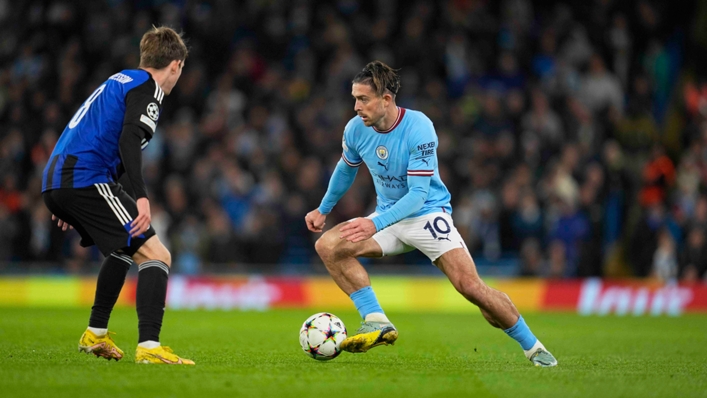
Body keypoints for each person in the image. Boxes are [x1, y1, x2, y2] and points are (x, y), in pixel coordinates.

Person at [305, 61, 557, 367]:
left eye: (363, 99)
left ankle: (534, 347)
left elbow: (418, 195)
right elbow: (346, 170)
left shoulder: (419, 127)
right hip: (387, 217)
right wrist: (324, 208)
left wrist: (374, 223)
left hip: (426, 215)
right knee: (328, 246)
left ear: (386, 99)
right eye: (355, 99)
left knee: (471, 288)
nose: (356, 106)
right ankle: (376, 320)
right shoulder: (355, 129)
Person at [41, 26, 193, 365]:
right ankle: (150, 348)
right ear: (176, 65)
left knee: (125, 248)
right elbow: (128, 141)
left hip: (62, 177)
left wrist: (59, 192)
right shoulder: (148, 89)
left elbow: (85, 130)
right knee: (158, 254)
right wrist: (141, 196)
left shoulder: (120, 79)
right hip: (83, 177)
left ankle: (95, 334)